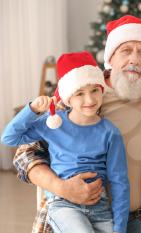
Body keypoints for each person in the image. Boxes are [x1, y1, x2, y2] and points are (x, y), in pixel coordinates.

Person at [12, 15, 141, 233]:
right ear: (111, 57)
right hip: (74, 210)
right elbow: (25, 154)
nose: (134, 59)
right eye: (126, 50)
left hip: (140, 216)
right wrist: (62, 187)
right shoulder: (82, 93)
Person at [2, 51, 130, 233]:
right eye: (80, 93)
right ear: (68, 97)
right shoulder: (53, 123)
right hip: (63, 206)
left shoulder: (110, 132)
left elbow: (119, 182)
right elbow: (9, 137)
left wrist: (119, 228)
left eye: (95, 90)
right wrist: (32, 109)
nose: (90, 99)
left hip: (100, 208)